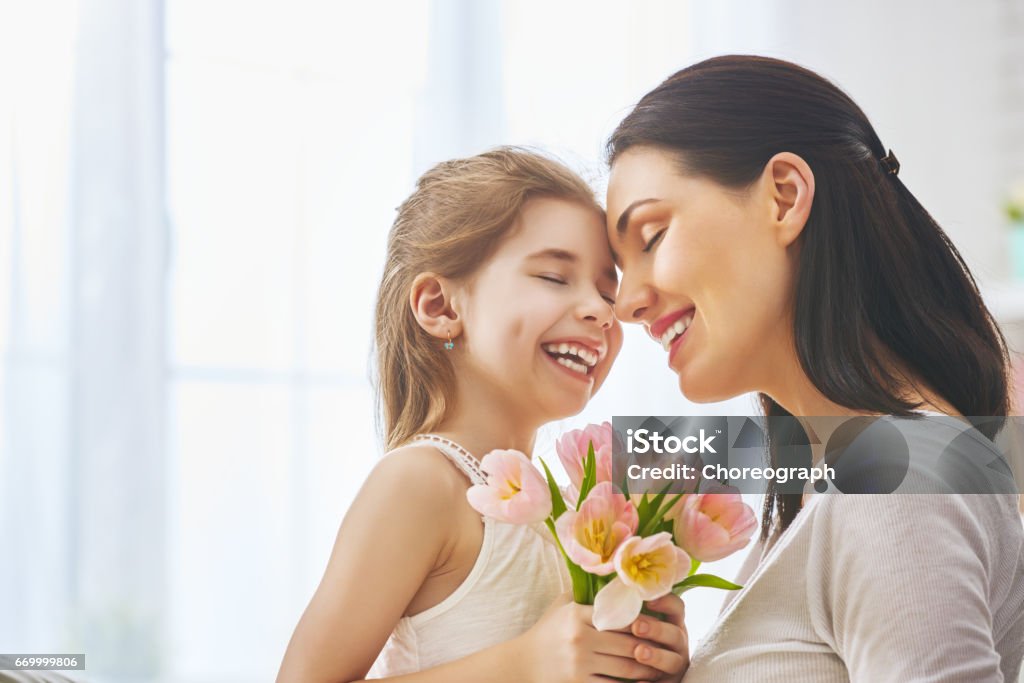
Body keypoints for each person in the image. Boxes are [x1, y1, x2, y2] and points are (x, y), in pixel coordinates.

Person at [605, 55, 1024, 681]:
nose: (626, 303)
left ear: (785, 197)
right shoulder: (835, 481)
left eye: (652, 236)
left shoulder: (899, 483)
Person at [277, 147, 690, 682]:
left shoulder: (562, 506)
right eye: (554, 277)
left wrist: (645, 654)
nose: (601, 311)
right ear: (441, 307)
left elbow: (824, 453)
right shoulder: (422, 483)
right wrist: (523, 666)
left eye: (606, 292)